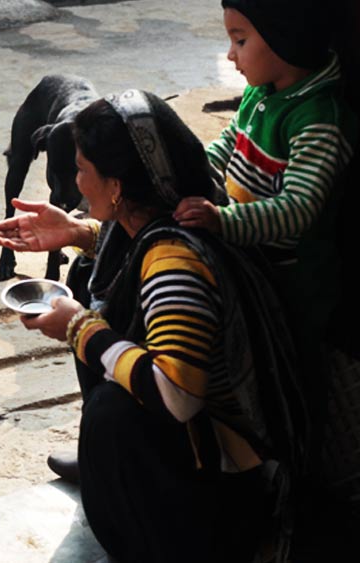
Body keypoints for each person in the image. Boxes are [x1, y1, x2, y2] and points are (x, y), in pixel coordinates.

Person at [0, 90, 306, 563]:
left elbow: (178, 396)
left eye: (82, 171)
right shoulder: (164, 213)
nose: (75, 183)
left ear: (116, 185)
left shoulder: (174, 261)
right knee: (83, 274)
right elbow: (124, 251)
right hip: (204, 455)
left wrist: (80, 329)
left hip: (224, 491)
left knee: (112, 412)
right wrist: (75, 233)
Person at [172, 0, 358, 492]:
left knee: (286, 384)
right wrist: (189, 178)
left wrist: (221, 221)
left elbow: (297, 209)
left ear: (286, 37)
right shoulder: (261, 94)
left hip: (292, 285)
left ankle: (290, 475)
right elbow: (227, 145)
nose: (231, 55)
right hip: (250, 258)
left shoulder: (319, 117)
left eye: (240, 40)